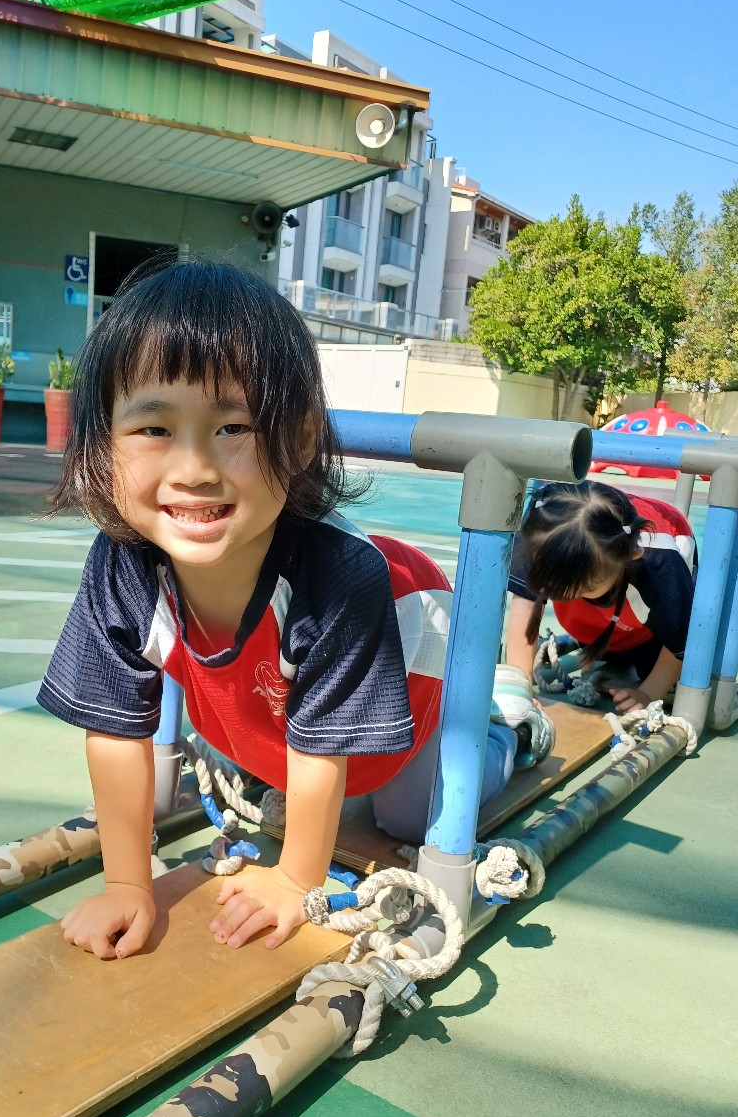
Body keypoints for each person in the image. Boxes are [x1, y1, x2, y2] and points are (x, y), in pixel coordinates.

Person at [38, 259, 525, 962]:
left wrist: (296, 879)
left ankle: (510, 726)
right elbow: (116, 729)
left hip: (415, 677)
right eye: (153, 429)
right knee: (263, 752)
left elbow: (322, 752)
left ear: (297, 440)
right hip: (285, 704)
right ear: (102, 443)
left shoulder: (339, 577)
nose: (194, 468)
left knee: (406, 813)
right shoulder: (122, 563)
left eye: (233, 426)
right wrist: (127, 883)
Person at [505, 481, 697, 713]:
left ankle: (626, 649)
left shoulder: (660, 564)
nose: (565, 595)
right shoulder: (543, 531)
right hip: (601, 598)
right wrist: (520, 689)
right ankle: (595, 638)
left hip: (652, 627)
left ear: (631, 555)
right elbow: (525, 604)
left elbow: (683, 640)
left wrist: (648, 693)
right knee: (587, 627)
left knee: (659, 668)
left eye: (584, 588)